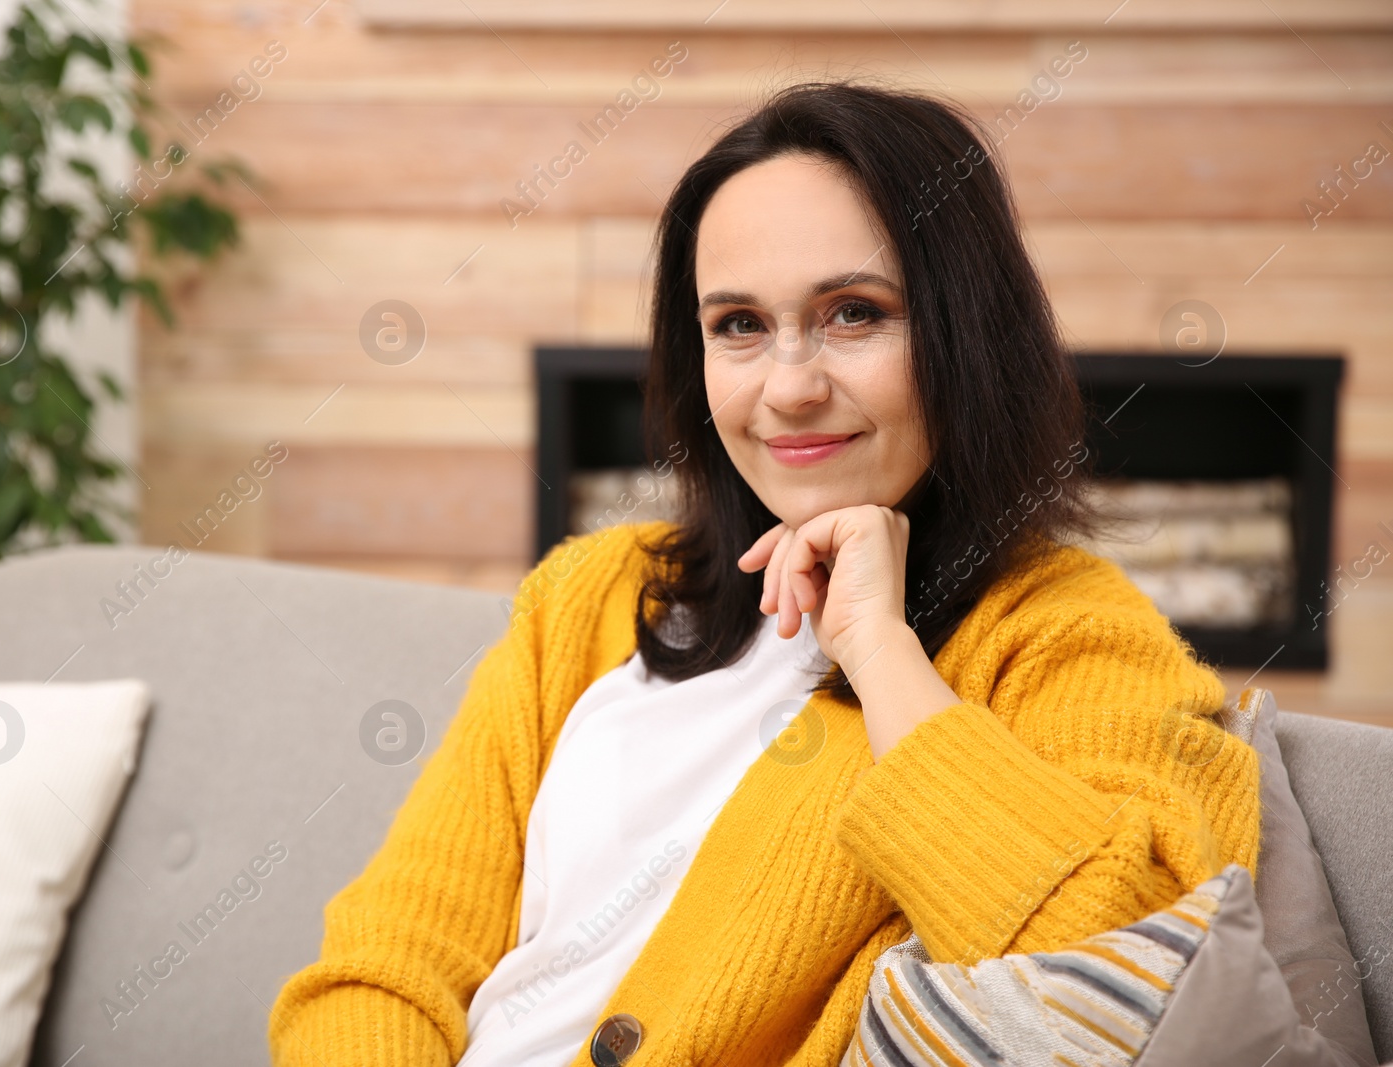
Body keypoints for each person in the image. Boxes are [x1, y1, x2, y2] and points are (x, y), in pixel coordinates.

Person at [268, 81, 1260, 1067]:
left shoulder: (1062, 632)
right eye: (738, 324)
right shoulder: (585, 595)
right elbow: (387, 963)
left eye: (853, 313)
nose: (788, 387)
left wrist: (880, 652)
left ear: (967, 334)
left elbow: (1141, 979)